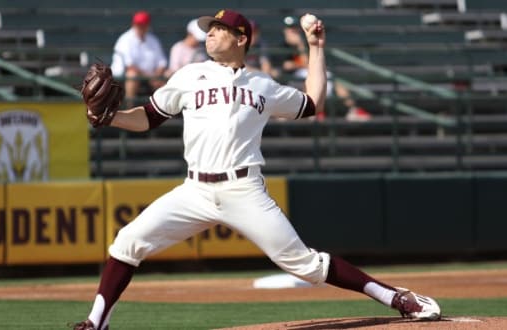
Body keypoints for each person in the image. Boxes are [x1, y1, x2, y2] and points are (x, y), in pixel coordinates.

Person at [73, 9, 440, 330]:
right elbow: (148, 119)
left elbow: (312, 103)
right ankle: (96, 323)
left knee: (307, 267)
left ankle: (396, 298)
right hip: (194, 190)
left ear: (241, 37)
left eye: (218, 28)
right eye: (208, 28)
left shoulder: (263, 85)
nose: (209, 33)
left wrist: (316, 48)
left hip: (243, 190)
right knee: (127, 242)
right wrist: (110, 118)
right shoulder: (188, 75)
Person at [281, 16, 372, 122]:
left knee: (332, 78)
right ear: (285, 31)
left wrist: (300, 46)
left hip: (307, 74)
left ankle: (353, 110)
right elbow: (286, 66)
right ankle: (312, 112)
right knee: (307, 78)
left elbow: (309, 64)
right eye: (290, 29)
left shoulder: (305, 44)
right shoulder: (282, 46)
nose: (293, 31)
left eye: (294, 28)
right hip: (292, 81)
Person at [110, 10, 168, 106]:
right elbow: (130, 66)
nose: (140, 27)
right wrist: (151, 78)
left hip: (151, 76)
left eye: (143, 24)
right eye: (138, 24)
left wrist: (157, 76)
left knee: (168, 76)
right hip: (124, 77)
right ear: (133, 24)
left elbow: (162, 62)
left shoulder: (153, 40)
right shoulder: (125, 40)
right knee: (132, 75)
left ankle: (165, 112)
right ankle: (130, 107)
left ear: (148, 25)